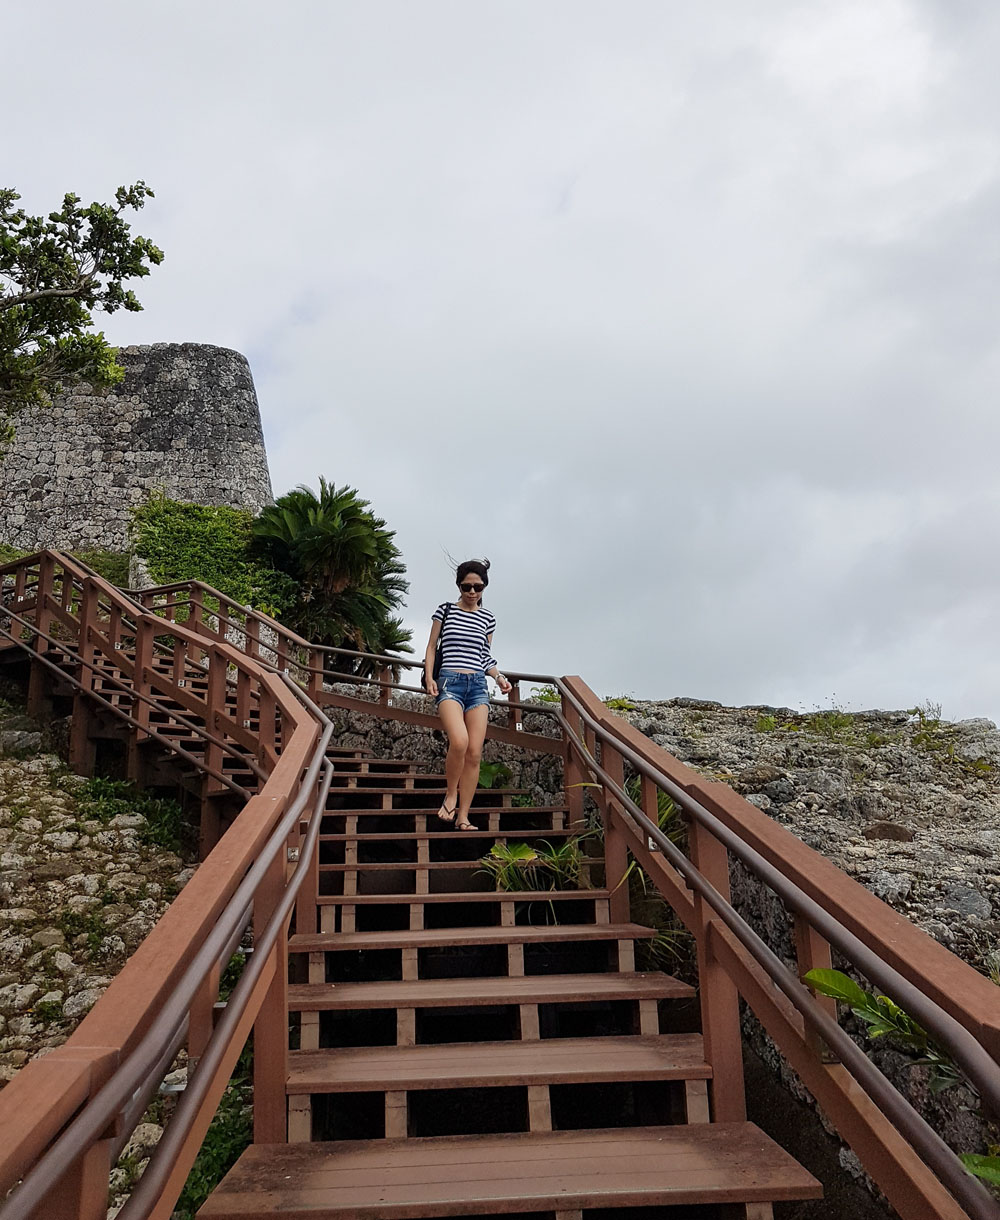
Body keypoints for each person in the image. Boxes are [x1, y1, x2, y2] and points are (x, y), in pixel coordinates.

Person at [424, 558, 512, 829]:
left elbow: (485, 655)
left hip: (477, 686)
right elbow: (431, 647)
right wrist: (430, 678)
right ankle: (450, 794)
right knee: (459, 742)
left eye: (478, 586)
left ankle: (463, 816)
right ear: (459, 586)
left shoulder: (488, 618)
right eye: (467, 586)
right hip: (449, 682)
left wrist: (498, 677)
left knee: (474, 752)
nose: (472, 592)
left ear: (484, 587)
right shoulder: (446, 610)